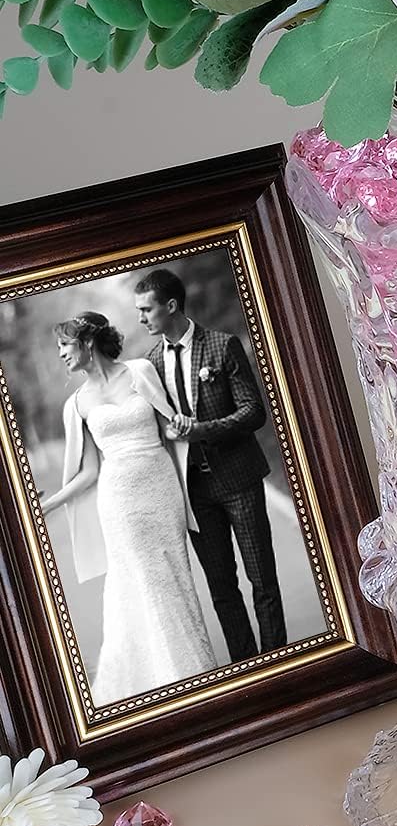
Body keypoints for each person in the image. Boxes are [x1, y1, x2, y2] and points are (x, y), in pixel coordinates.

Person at [40, 312, 218, 705]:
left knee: (173, 578)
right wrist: (48, 503)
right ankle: (166, 677)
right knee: (140, 581)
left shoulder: (139, 372)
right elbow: (89, 471)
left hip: (161, 491)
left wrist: (179, 428)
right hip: (119, 502)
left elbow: (169, 427)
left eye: (64, 345)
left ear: (87, 342)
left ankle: (192, 671)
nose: (61, 354)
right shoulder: (76, 404)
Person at [134, 268, 286, 663]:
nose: (141, 318)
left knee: (262, 579)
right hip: (195, 493)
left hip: (239, 480)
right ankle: (247, 667)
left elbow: (253, 412)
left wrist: (203, 429)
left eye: (146, 309)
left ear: (171, 306)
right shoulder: (150, 365)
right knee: (222, 589)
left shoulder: (222, 346)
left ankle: (279, 663)